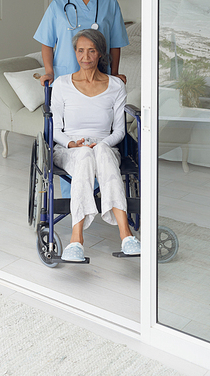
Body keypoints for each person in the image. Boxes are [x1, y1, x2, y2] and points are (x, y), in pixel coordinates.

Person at [51, 29, 141, 261]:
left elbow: (120, 131)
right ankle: (77, 239)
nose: (85, 56)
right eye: (80, 50)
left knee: (98, 151)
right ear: (75, 53)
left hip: (105, 148)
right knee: (84, 156)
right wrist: (73, 144)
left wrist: (101, 142)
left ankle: (125, 236)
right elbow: (56, 129)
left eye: (91, 50)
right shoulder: (61, 84)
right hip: (69, 150)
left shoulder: (115, 85)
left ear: (100, 53)